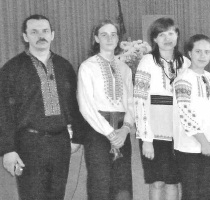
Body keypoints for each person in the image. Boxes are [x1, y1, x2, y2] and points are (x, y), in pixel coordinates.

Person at [0, 14, 85, 200]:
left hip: (60, 143)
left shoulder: (64, 66)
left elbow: (75, 104)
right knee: (32, 196)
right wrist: (7, 149)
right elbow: (3, 112)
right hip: (29, 143)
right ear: (25, 36)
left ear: (52, 35)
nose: (41, 36)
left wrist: (77, 136)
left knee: (57, 195)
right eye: (34, 32)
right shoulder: (12, 69)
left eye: (45, 31)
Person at [77, 19, 134, 200]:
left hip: (122, 129)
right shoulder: (88, 67)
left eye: (113, 34)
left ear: (118, 39)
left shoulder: (125, 68)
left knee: (123, 183)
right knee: (100, 183)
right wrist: (110, 133)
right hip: (98, 131)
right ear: (96, 39)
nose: (109, 38)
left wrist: (125, 129)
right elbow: (86, 105)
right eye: (104, 34)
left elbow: (131, 102)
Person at [134, 17, 190, 200]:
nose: (167, 38)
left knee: (174, 182)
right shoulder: (147, 62)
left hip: (178, 134)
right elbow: (139, 100)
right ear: (155, 39)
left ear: (177, 36)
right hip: (154, 134)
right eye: (162, 34)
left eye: (171, 33)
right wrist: (146, 138)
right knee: (157, 182)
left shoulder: (186, 63)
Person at [173, 34, 210, 200]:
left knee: (208, 192)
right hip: (190, 147)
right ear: (189, 53)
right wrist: (203, 143)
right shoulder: (183, 79)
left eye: (207, 52)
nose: (203, 56)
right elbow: (186, 115)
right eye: (198, 51)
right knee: (192, 193)